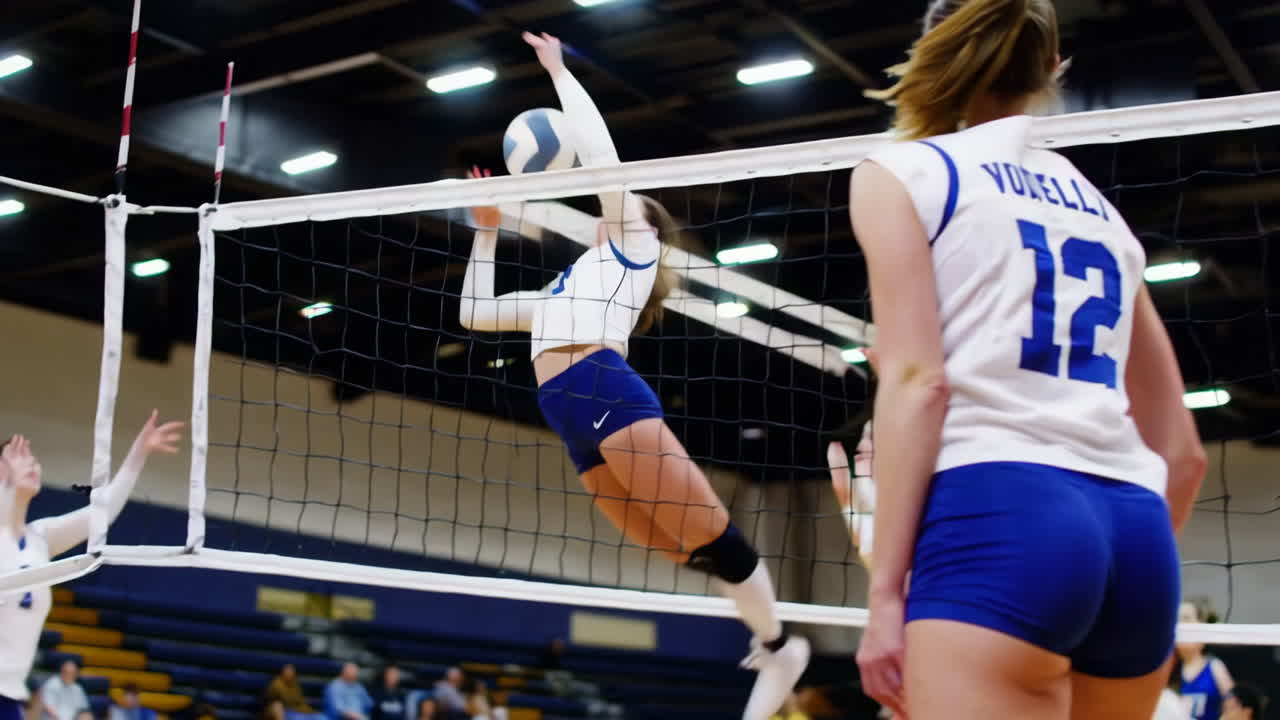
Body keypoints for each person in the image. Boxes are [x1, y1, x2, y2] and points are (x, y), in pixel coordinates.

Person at [847, 1, 1208, 719]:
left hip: (1000, 510)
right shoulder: (1101, 211)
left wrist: (885, 594)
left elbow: (920, 384)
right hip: (1136, 536)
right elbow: (1183, 453)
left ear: (931, 50)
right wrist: (1105, 561)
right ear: (1050, 64)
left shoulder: (902, 171)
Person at [457, 31, 808, 720]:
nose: (610, 207)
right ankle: (767, 633)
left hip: (602, 390)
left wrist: (559, 71)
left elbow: (601, 159)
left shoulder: (632, 247)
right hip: (570, 414)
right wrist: (488, 229)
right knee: (677, 547)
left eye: (623, 203)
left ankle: (781, 644)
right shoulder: (567, 286)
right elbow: (476, 312)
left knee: (708, 533)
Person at [1, 412, 183, 720]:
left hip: (9, 698)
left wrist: (139, 451)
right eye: (18, 456)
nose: (31, 462)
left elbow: (105, 511)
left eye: (33, 457)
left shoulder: (40, 538)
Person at [1174, 602, 1234, 720]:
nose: (1182, 625)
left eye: (1186, 618)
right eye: (1178, 620)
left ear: (1201, 626)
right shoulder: (1167, 671)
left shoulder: (1215, 667)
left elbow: (1234, 709)